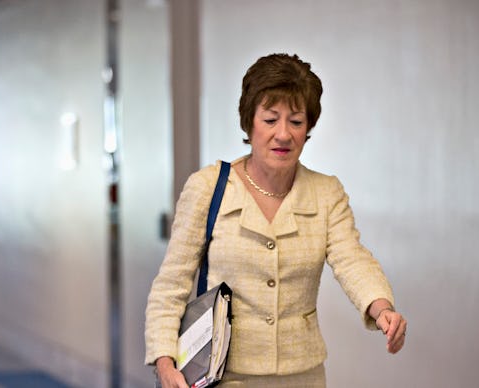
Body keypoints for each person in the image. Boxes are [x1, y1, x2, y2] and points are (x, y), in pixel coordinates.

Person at [145, 53, 407, 387]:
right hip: (224, 376)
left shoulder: (326, 192)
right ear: (249, 122)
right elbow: (172, 284)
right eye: (270, 120)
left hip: (303, 376)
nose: (283, 134)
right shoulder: (208, 187)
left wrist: (381, 308)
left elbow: (352, 259)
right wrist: (165, 363)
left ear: (308, 128)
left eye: (296, 122)